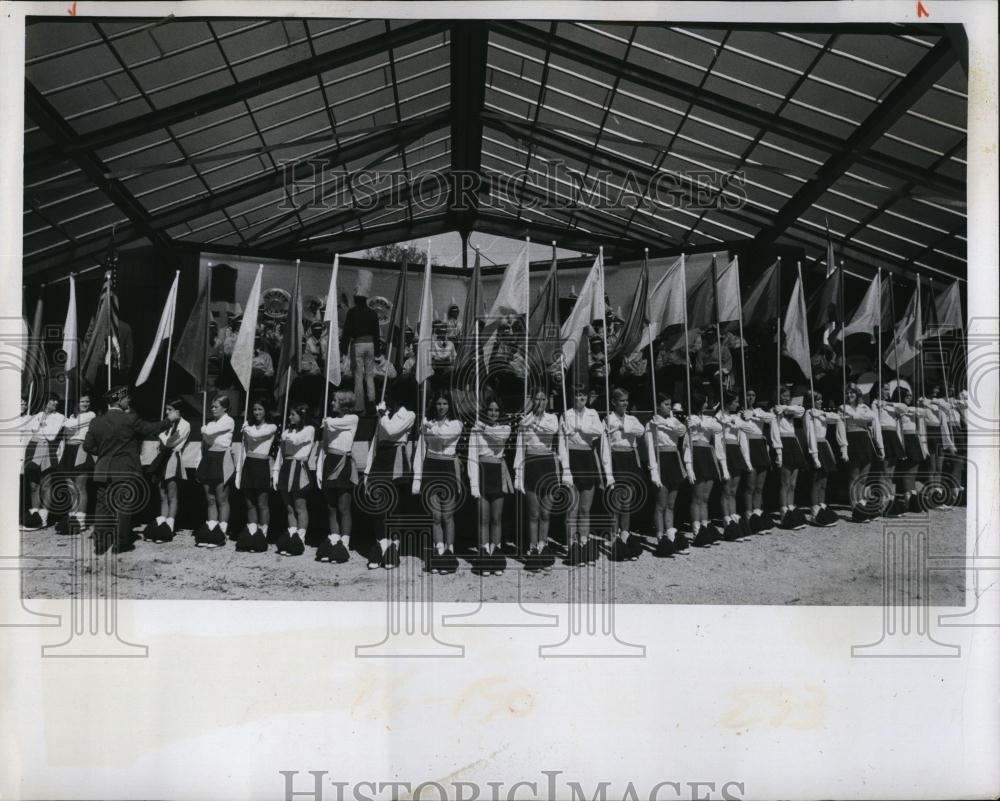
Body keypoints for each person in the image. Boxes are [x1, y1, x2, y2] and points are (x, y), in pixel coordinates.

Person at [82, 385, 171, 554]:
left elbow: (88, 446)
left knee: (102, 507)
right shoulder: (130, 419)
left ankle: (100, 544)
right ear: (120, 400)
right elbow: (150, 429)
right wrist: (169, 420)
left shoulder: (96, 421)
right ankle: (121, 543)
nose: (129, 400)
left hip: (103, 470)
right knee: (123, 506)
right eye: (126, 398)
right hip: (125, 469)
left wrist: (104, 453)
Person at [364, 383, 416, 569]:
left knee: (394, 507)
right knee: (379, 506)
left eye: (388, 395)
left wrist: (382, 415)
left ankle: (394, 547)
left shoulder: (409, 415)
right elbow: (376, 442)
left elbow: (392, 431)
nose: (384, 399)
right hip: (381, 459)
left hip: (397, 460)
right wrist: (368, 470)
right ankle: (381, 545)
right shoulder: (383, 415)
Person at [414, 389, 464, 574]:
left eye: (444, 403)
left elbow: (443, 439)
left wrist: (428, 427)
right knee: (435, 516)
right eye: (438, 403)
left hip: (448, 467)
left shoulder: (456, 424)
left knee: (447, 515)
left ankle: (450, 552)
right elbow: (424, 446)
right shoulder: (429, 423)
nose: (441, 407)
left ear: (450, 406)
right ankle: (439, 550)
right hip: (431, 466)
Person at [558, 384, 607, 565]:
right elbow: (562, 444)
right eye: (577, 396)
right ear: (572, 398)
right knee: (572, 509)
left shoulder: (593, 413)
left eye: (583, 397)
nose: (580, 400)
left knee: (585, 509)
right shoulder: (565, 414)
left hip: (587, 458)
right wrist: (566, 470)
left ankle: (585, 546)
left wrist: (580, 428)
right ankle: (572, 547)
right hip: (572, 458)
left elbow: (599, 431)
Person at [514, 386, 561, 571]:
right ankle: (533, 549)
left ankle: (543, 546)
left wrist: (532, 423)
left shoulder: (552, 418)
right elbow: (520, 448)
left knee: (546, 512)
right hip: (531, 464)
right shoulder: (525, 420)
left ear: (547, 401)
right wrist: (518, 473)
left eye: (543, 399)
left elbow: (552, 429)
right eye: (537, 399)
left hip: (547, 463)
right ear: (532, 401)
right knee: (533, 513)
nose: (540, 402)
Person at [468, 397, 513, 576]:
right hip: (482, 470)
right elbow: (472, 456)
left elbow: (499, 438)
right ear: (485, 411)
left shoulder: (505, 428)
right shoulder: (475, 429)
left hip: (498, 471)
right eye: (490, 410)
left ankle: (496, 555)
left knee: (497, 518)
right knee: (483, 518)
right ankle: (484, 556)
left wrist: (483, 428)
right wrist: (474, 484)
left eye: (496, 410)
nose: (493, 413)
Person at [315, 391, 359, 564]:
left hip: (344, 462)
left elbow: (335, 424)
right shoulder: (331, 422)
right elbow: (325, 445)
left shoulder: (352, 418)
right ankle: (334, 539)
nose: (332, 403)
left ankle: (345, 543)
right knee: (331, 506)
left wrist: (326, 422)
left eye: (335, 401)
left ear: (344, 403)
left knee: (344, 506)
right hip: (330, 461)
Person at [605, 387, 646, 560]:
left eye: (626, 400)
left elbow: (641, 430)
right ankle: (614, 537)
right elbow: (606, 439)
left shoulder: (632, 418)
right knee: (616, 499)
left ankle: (625, 534)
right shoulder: (608, 418)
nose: (625, 403)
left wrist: (623, 427)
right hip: (616, 457)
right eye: (621, 400)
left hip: (629, 457)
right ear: (614, 402)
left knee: (627, 500)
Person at [683, 392, 729, 545]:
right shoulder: (689, 419)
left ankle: (705, 527)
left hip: (708, 454)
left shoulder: (708, 419)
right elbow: (686, 445)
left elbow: (718, 428)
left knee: (705, 498)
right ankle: (697, 531)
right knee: (697, 497)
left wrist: (701, 424)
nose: (707, 403)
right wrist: (689, 467)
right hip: (696, 454)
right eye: (705, 401)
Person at [143, 399, 191, 543]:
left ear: (178, 411)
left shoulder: (185, 425)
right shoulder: (166, 423)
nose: (167, 412)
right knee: (162, 493)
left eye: (170, 410)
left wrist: (161, 434)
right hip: (162, 458)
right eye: (166, 409)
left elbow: (170, 442)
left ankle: (169, 527)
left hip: (172, 458)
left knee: (172, 494)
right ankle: (161, 524)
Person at [645, 393, 687, 556]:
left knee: (671, 503)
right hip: (660, 459)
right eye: (666, 404)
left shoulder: (673, 421)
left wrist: (665, 424)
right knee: (660, 504)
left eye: (670, 404)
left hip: (673, 459)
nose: (669, 407)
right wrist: (653, 471)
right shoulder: (651, 424)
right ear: (658, 405)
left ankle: (670, 534)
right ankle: (660, 538)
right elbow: (649, 449)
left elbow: (681, 431)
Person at [273, 403, 315, 557]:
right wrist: (276, 472)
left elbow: (296, 440)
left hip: (299, 469)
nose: (290, 417)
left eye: (293, 414)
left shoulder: (309, 429)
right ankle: (291, 536)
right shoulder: (287, 431)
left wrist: (284, 436)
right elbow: (280, 454)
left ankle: (300, 539)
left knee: (300, 506)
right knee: (289, 507)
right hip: (286, 467)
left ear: (301, 416)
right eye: (289, 414)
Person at [234, 400, 277, 553]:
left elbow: (256, 436)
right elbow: (245, 448)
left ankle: (262, 535)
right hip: (249, 464)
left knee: (262, 503)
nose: (256, 412)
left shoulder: (271, 427)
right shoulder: (249, 427)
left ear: (266, 411)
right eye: (254, 409)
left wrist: (245, 427)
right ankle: (252, 532)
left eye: (260, 409)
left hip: (262, 464)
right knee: (250, 502)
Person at [194, 395, 236, 547]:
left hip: (222, 458)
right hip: (208, 458)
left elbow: (209, 434)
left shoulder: (229, 420)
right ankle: (211, 529)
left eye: (216, 406)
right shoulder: (211, 423)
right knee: (210, 498)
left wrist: (204, 430)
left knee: (221, 498)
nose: (212, 409)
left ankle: (221, 532)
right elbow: (205, 442)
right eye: (211, 406)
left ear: (224, 408)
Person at [840, 383, 885, 523]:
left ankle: (862, 505)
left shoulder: (864, 407)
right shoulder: (842, 408)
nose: (849, 396)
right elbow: (841, 429)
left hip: (865, 441)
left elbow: (871, 418)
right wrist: (844, 448)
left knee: (864, 477)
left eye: (852, 393)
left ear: (857, 394)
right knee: (854, 477)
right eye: (847, 393)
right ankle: (855, 508)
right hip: (852, 440)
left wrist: (855, 416)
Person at [802, 390, 846, 527]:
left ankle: (822, 504)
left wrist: (822, 413)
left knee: (824, 479)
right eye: (817, 400)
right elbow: (809, 435)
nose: (821, 402)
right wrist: (814, 455)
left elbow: (837, 418)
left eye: (821, 399)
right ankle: (814, 509)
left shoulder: (821, 414)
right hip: (814, 445)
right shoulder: (808, 414)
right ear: (810, 402)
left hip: (824, 445)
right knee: (816, 480)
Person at [22, 393, 65, 531]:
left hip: (47, 449)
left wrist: (43, 424)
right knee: (34, 485)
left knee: (46, 484)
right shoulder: (36, 415)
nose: (55, 403)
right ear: (45, 402)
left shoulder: (60, 417)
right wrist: (40, 423)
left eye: (56, 401)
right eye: (51, 400)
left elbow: (51, 436)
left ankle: (44, 519)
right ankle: (34, 517)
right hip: (32, 448)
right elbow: (31, 431)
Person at [55, 393, 96, 537]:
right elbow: (64, 434)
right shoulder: (71, 417)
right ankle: (71, 517)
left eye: (87, 401)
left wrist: (60, 420)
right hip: (68, 451)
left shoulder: (91, 414)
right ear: (76, 403)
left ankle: (81, 520)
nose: (85, 404)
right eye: (82, 401)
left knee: (81, 487)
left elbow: (69, 425)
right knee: (70, 487)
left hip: (81, 449)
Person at [718, 392, 757, 541]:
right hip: (725, 449)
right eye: (735, 402)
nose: (737, 405)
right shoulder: (718, 417)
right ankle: (726, 520)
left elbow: (750, 429)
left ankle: (734, 517)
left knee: (733, 490)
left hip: (736, 451)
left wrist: (744, 419)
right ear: (727, 403)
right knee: (726, 489)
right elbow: (717, 440)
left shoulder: (735, 417)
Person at [341, 271, 380, 411]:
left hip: (358, 344)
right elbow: (377, 332)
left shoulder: (352, 312)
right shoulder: (373, 313)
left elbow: (347, 332)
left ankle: (359, 405)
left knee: (358, 375)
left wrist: (343, 349)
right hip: (370, 345)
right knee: (370, 375)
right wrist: (378, 351)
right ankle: (371, 400)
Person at [741, 389, 778, 534]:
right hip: (748, 446)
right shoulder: (740, 413)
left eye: (752, 395)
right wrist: (744, 416)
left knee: (759, 486)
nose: (750, 397)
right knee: (749, 486)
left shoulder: (759, 411)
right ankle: (749, 514)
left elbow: (771, 418)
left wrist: (755, 414)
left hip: (760, 447)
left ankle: (757, 512)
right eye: (747, 395)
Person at [772, 386, 807, 530]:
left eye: (788, 395)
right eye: (783, 395)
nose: (786, 398)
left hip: (794, 442)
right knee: (785, 483)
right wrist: (778, 452)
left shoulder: (790, 409)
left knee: (793, 483)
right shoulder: (774, 411)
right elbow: (774, 431)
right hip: (783, 442)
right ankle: (783, 511)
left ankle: (791, 507)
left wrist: (786, 408)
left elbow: (801, 411)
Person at [892, 386, 929, 514]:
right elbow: (901, 411)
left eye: (910, 395)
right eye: (907, 396)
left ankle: (913, 498)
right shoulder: (896, 407)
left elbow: (922, 412)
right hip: (905, 438)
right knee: (908, 469)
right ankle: (909, 499)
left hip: (914, 437)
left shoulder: (911, 408)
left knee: (915, 468)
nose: (910, 397)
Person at [872, 381, 906, 517]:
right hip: (884, 435)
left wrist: (889, 404)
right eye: (884, 389)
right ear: (878, 391)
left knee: (891, 472)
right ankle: (883, 503)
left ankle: (890, 500)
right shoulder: (875, 404)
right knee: (884, 471)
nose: (887, 392)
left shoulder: (891, 405)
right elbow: (875, 424)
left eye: (888, 389)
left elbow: (904, 408)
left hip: (893, 436)